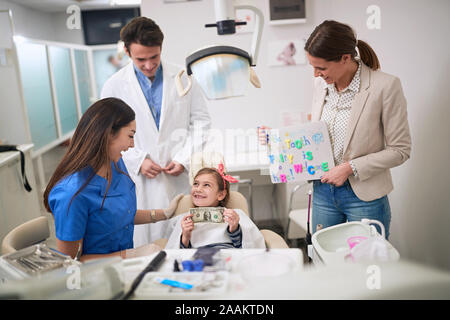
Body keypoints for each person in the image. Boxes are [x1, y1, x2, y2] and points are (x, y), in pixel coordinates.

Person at [259, 20, 411, 239]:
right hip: (323, 192)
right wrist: (278, 138)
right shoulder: (321, 84)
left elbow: (400, 150)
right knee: (325, 263)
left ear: (345, 58)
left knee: (365, 264)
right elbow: (318, 136)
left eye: (321, 68)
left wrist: (349, 168)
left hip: (364, 197)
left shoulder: (385, 87)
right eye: (313, 67)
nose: (315, 74)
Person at [100, 17, 211, 246]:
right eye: (141, 59)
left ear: (161, 49)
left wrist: (183, 158)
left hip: (176, 176)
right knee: (146, 246)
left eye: (154, 57)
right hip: (138, 180)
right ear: (128, 52)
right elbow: (106, 133)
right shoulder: (114, 85)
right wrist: (137, 159)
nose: (149, 65)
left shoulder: (184, 77)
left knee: (185, 240)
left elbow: (201, 122)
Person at [43, 98, 183, 262]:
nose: (132, 145)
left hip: (122, 267)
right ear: (109, 134)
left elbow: (120, 214)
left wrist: (164, 213)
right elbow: (70, 263)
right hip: (94, 278)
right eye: (130, 136)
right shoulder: (72, 194)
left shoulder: (115, 164)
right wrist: (127, 255)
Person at [165, 166, 266, 249]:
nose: (198, 189)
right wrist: (185, 237)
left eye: (206, 185)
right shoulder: (185, 220)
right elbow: (178, 256)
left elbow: (248, 248)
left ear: (221, 194)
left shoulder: (235, 215)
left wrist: (235, 229)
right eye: (196, 184)